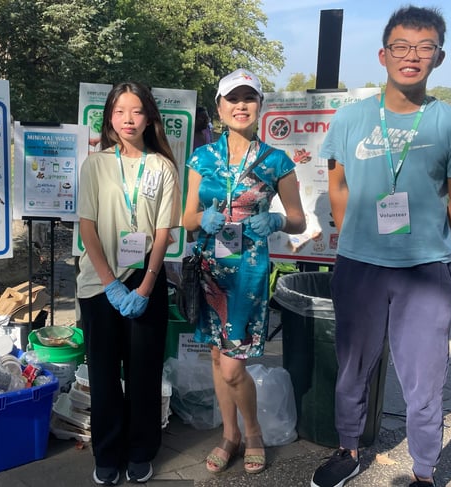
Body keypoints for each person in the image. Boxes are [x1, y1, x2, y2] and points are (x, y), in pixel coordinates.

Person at [310, 6, 451, 487]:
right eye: (402, 46)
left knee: (424, 380)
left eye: (425, 47)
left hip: (424, 271)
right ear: (383, 55)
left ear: (439, 57)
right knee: (352, 368)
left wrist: (415, 235)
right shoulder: (351, 119)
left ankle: (424, 472)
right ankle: (348, 450)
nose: (412, 56)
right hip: (359, 266)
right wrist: (357, 233)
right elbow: (338, 185)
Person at [182, 69, 306, 475]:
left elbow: (299, 221)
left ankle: (253, 433)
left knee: (234, 366)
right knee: (217, 357)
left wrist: (276, 221)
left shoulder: (277, 161)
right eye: (232, 99)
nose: (240, 106)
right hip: (209, 270)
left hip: (248, 274)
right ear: (219, 108)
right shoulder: (202, 158)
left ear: (259, 107)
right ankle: (229, 434)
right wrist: (202, 218)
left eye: (248, 98)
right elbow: (186, 218)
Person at [76, 81, 182, 485]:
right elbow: (87, 227)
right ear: (109, 117)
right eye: (120, 111)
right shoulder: (96, 165)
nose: (128, 119)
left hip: (145, 277)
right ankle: (107, 452)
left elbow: (163, 232)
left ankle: (141, 450)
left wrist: (145, 286)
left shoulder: (162, 167)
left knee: (143, 373)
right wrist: (110, 283)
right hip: (99, 281)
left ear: (149, 117)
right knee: (103, 373)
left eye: (136, 111)